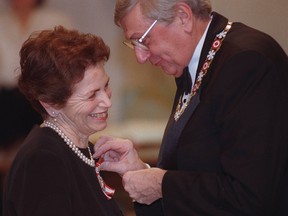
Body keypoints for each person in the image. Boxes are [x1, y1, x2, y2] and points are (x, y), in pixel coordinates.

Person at [93, 0, 288, 215]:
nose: (140, 57)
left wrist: (161, 184)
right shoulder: (199, 62)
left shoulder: (246, 63)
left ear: (183, 16)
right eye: (134, 44)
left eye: (144, 40)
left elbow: (251, 195)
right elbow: (201, 167)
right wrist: (142, 173)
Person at [3, 26, 123, 216]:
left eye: (106, 85)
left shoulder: (84, 149)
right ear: (51, 104)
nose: (107, 102)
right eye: (92, 95)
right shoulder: (43, 159)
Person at [0, 0, 73, 149]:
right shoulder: (1, 21)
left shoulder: (56, 20)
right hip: (5, 99)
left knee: (44, 147)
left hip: (42, 95)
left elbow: (68, 61)